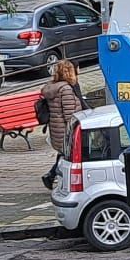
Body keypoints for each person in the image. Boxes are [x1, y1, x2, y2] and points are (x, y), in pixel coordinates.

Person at [38, 58, 84, 189]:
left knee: (64, 154)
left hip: (56, 130)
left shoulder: (52, 88)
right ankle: (53, 175)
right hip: (66, 131)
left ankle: (52, 176)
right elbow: (70, 115)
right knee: (69, 155)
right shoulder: (66, 90)